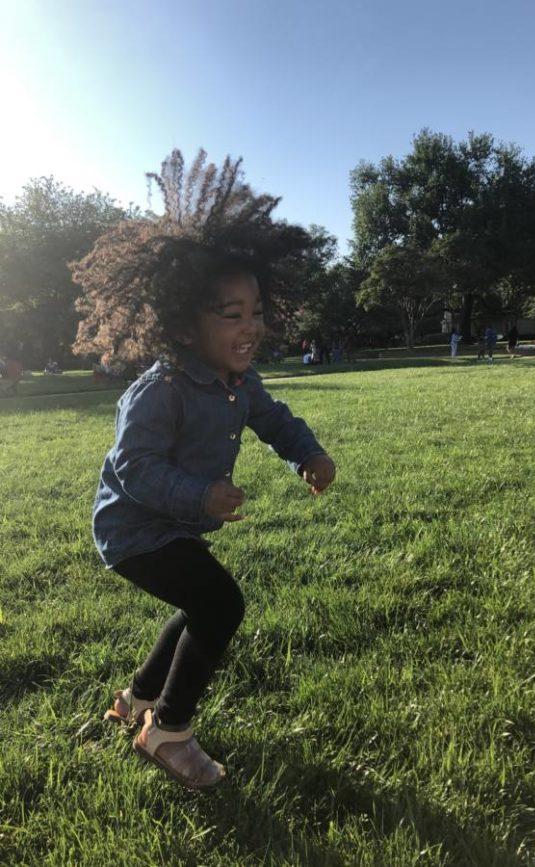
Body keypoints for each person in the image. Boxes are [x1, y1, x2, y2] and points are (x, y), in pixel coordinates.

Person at [72, 155, 336, 791]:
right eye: (230, 313)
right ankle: (167, 731)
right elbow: (133, 466)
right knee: (220, 602)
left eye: (256, 311)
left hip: (174, 524)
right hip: (133, 530)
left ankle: (135, 699)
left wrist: (308, 453)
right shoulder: (159, 389)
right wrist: (200, 494)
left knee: (202, 603)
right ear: (185, 323)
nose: (250, 326)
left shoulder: (241, 382)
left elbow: (273, 418)